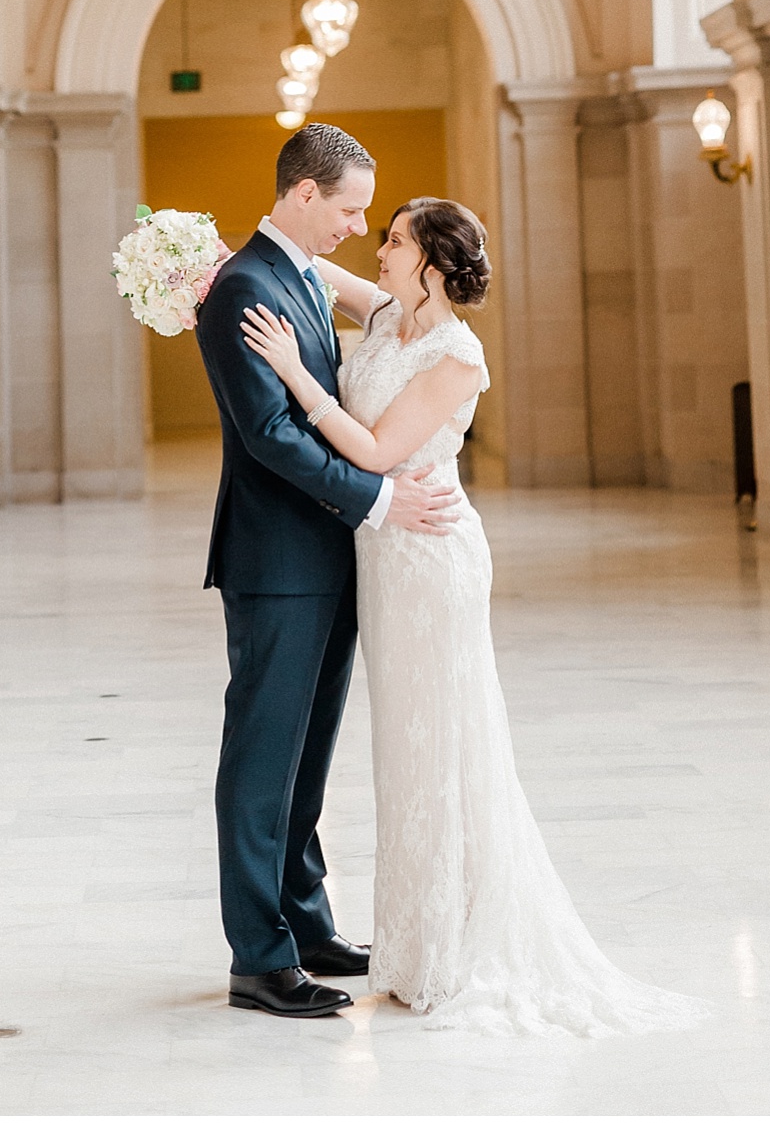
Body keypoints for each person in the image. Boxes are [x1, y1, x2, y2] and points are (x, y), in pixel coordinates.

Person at [240, 195, 711, 1037]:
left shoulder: (458, 355)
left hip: (430, 557)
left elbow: (379, 451)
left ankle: (450, 948)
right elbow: (306, 261)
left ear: (429, 263)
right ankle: (418, 940)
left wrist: (295, 373)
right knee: (405, 744)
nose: (376, 247)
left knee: (441, 739)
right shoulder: (386, 310)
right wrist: (197, 261)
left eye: (392, 239)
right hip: (384, 558)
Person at [194, 123, 461, 1019]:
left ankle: (306, 924)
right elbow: (270, 437)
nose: (358, 225)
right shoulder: (243, 288)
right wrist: (380, 503)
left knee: (309, 758)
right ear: (305, 195)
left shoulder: (301, 276)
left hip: (333, 556)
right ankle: (259, 958)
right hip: (278, 561)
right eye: (350, 208)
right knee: (263, 759)